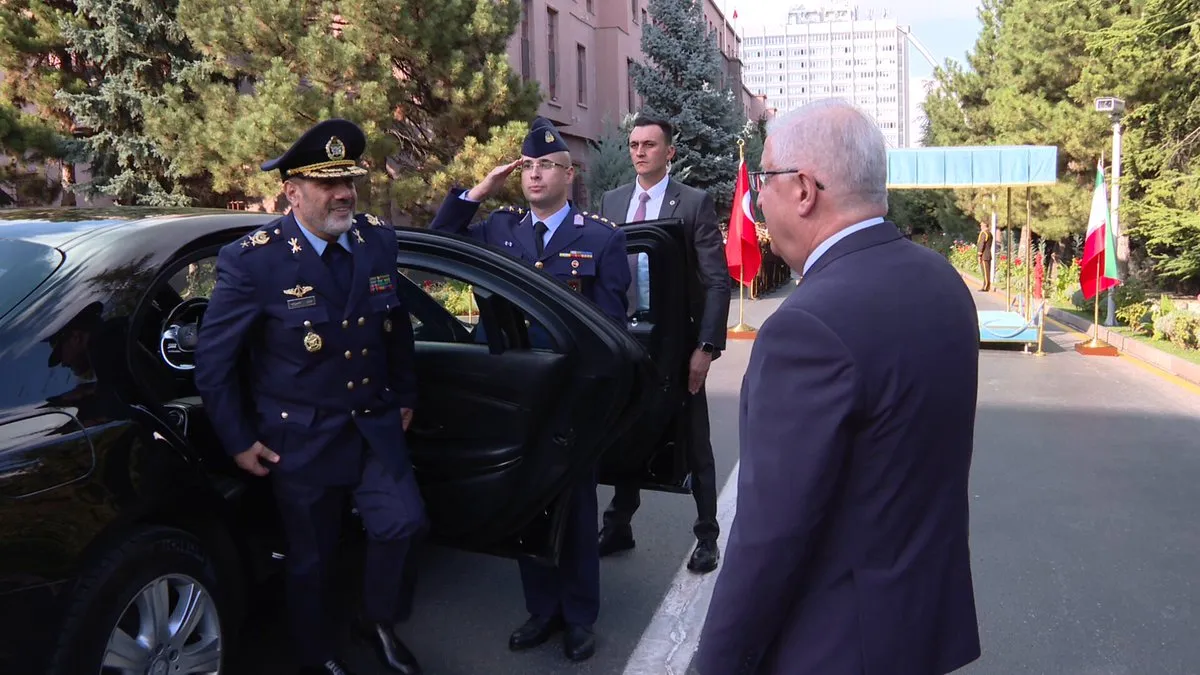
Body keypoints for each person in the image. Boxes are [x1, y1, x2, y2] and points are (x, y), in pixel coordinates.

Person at [692, 99, 981, 674]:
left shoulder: (808, 326)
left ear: (803, 190)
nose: (755, 205)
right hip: (919, 626)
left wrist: (714, 666)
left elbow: (769, 536)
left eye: (763, 183)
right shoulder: (941, 280)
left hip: (834, 644)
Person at [194, 119, 426, 675]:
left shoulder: (377, 241)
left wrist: (405, 393)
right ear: (292, 192)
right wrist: (237, 439)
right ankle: (316, 652)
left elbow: (394, 326)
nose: (344, 192)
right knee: (311, 557)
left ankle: (376, 620)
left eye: (348, 179)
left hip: (372, 420)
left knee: (404, 523)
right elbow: (215, 360)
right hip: (300, 435)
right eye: (327, 183)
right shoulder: (254, 260)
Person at [428, 115, 630, 662]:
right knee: (525, 502)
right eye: (528, 166)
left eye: (547, 166)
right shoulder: (500, 229)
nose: (535, 175)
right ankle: (542, 610)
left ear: (569, 175)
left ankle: (580, 616)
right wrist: (477, 191)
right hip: (514, 392)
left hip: (570, 393)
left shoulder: (599, 237)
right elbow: (442, 241)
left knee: (576, 505)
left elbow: (610, 325)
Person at [596, 115, 730, 574]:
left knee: (695, 442)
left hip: (678, 342)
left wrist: (706, 347)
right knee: (626, 432)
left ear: (668, 152)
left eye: (649, 145)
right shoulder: (612, 202)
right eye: (633, 143)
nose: (639, 152)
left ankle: (708, 536)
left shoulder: (693, 203)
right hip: (626, 338)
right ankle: (618, 525)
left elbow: (716, 282)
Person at [977, 220, 993, 291]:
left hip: (984, 255)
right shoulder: (989, 233)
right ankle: (985, 285)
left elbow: (981, 244)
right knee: (986, 272)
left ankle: (986, 286)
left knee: (986, 272)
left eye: (981, 224)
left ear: (984, 225)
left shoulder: (984, 233)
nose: (980, 225)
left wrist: (979, 254)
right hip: (987, 255)